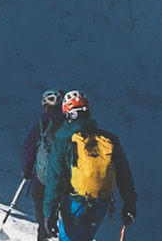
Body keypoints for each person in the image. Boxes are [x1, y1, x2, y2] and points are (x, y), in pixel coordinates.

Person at [38, 91, 138, 241]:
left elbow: (55, 180)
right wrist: (130, 204)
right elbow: (124, 174)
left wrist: (49, 214)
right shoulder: (109, 139)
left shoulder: (62, 141)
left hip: (73, 203)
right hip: (100, 203)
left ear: (67, 113)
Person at [20, 89, 67, 240]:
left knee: (43, 222)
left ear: (45, 106)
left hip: (42, 181)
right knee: (66, 223)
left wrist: (27, 171)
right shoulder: (71, 126)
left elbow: (28, 151)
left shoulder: (41, 126)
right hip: (65, 183)